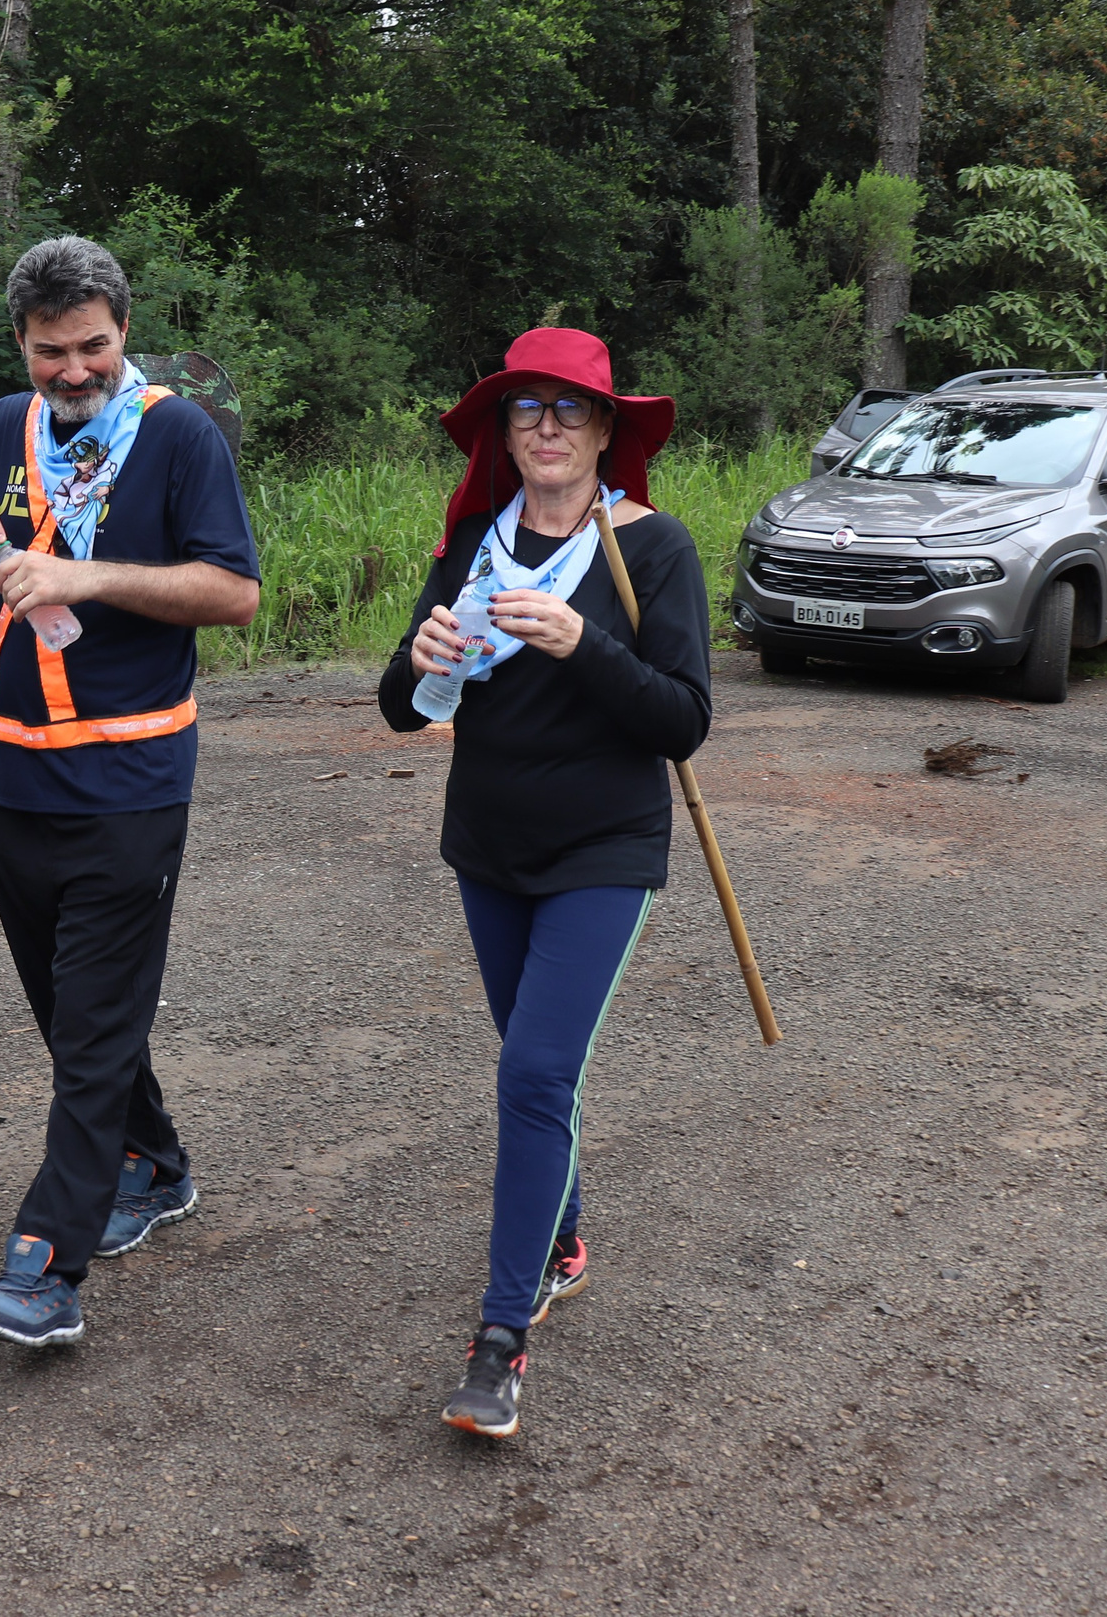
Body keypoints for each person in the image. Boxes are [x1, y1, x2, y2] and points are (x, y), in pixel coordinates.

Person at [0, 236, 261, 1348]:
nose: (73, 371)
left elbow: (233, 593)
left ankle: (45, 1270)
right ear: (21, 345)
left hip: (132, 782)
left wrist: (87, 576)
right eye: (50, 352)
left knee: (89, 1033)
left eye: (92, 347)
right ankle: (156, 1165)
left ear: (122, 331)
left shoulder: (178, 436)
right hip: (16, 782)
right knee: (71, 1014)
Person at [375, 327, 710, 1437]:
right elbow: (395, 700)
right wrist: (415, 662)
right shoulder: (477, 538)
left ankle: (499, 1339)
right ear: (504, 431)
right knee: (536, 1076)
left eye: (571, 409)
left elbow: (683, 720)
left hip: (602, 854)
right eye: (528, 409)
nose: (549, 427)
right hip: (488, 846)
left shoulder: (649, 551)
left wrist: (584, 643)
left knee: (530, 1074)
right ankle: (562, 1241)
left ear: (608, 429)